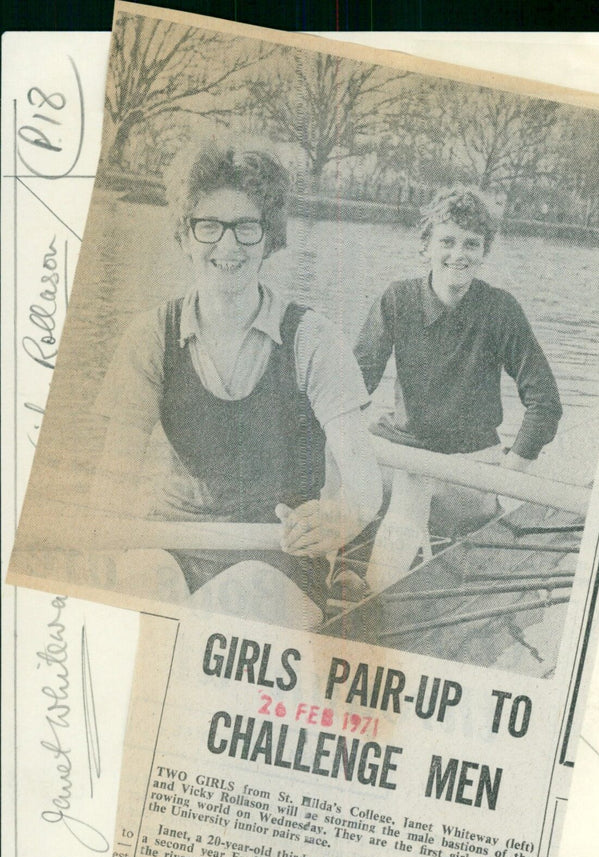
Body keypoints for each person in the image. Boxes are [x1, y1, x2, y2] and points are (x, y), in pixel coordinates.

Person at [92, 137, 382, 628]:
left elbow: (365, 483)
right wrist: (105, 546)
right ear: (185, 238)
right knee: (139, 590)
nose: (227, 246)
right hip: (173, 541)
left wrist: (345, 518)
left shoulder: (313, 339)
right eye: (209, 226)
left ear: (270, 238)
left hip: (279, 555)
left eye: (246, 227)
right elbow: (113, 481)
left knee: (234, 602)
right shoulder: (149, 336)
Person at [353, 185, 562, 592]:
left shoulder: (500, 310)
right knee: (327, 456)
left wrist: (509, 474)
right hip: (402, 448)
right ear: (425, 246)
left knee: (414, 483)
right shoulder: (397, 299)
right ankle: (324, 567)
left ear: (484, 252)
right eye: (446, 241)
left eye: (471, 244)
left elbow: (545, 404)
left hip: (470, 464)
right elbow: (354, 384)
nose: (458, 254)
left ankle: (375, 600)